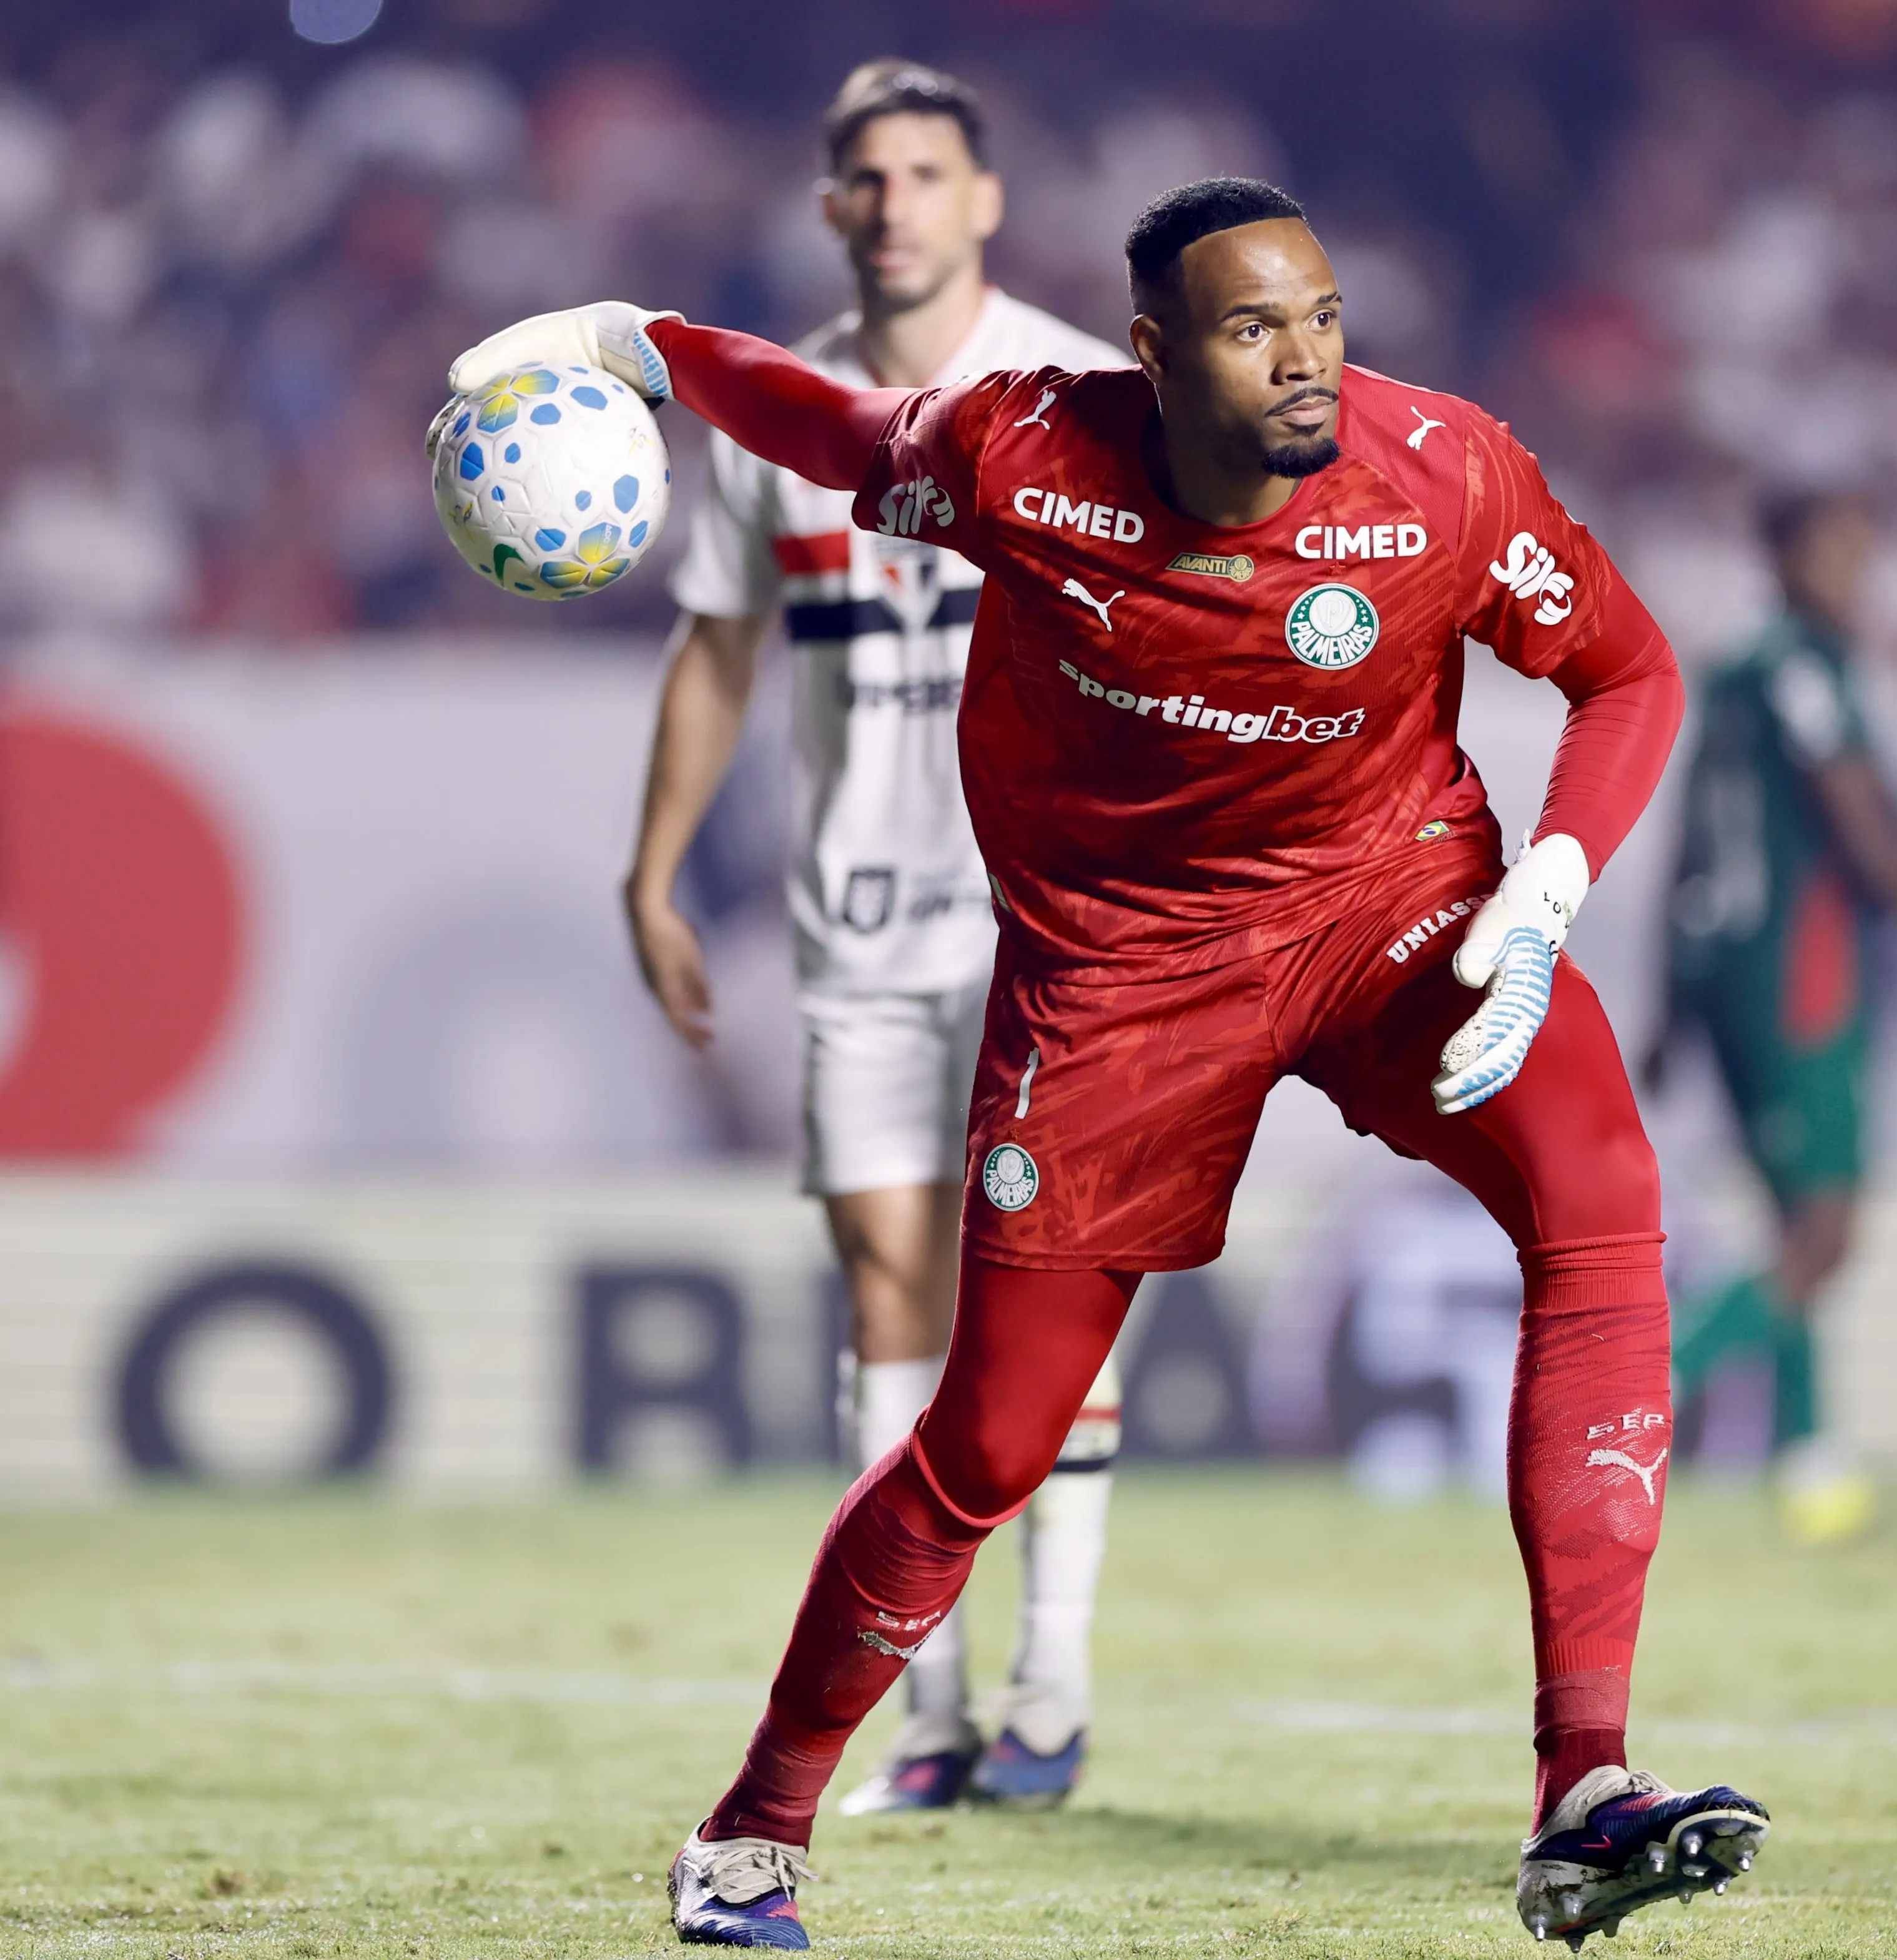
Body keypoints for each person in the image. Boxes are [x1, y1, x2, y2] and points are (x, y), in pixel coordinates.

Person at [448, 175, 1766, 1951]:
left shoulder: (1444, 472)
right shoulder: (1028, 462)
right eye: (1250, 328)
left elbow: (1626, 673)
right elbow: (833, 432)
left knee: (1602, 1196)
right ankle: (752, 1832)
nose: (1305, 361)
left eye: (1320, 316)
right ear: (1151, 356)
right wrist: (641, 350)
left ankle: (1584, 1787)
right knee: (987, 1446)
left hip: (1393, 911)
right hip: (1122, 988)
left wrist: (1545, 883)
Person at [621, 62, 1127, 1818]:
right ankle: (931, 1709)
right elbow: (716, 648)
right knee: (891, 1294)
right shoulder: (779, 420)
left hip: (1054, 927)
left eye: (927, 172)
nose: (896, 201)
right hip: (853, 920)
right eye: (866, 177)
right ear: (834, 209)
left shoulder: (1080, 389)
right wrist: (655, 868)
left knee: (1056, 1301)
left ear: (982, 198)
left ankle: (1050, 1692)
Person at [1661, 490, 1897, 1544]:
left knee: (1791, 1232)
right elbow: (1865, 836)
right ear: (1781, 554)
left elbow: (1692, 836)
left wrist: (1669, 1003)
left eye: (1861, 552)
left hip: (1726, 976)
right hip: (1802, 978)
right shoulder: (1806, 670)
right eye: (1833, 550)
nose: (1852, 572)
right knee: (1825, 1237)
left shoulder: (1734, 675)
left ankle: (1813, 1464)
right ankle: (1629, 1398)